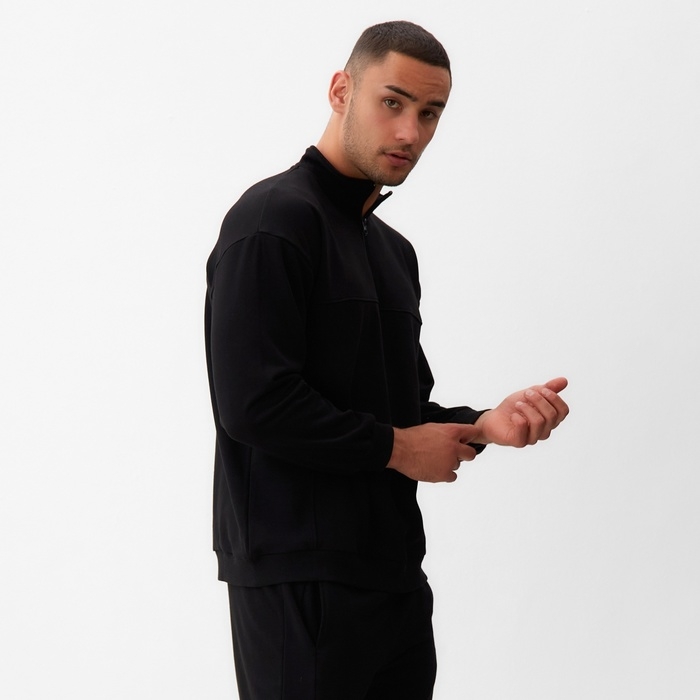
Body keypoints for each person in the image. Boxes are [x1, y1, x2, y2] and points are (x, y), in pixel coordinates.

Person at [205, 20, 569, 700]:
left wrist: (485, 424)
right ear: (342, 91)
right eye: (392, 102)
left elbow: (394, 411)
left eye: (430, 114)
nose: (410, 132)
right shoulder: (271, 221)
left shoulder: (392, 251)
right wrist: (399, 449)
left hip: (394, 573)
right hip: (298, 578)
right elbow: (255, 404)